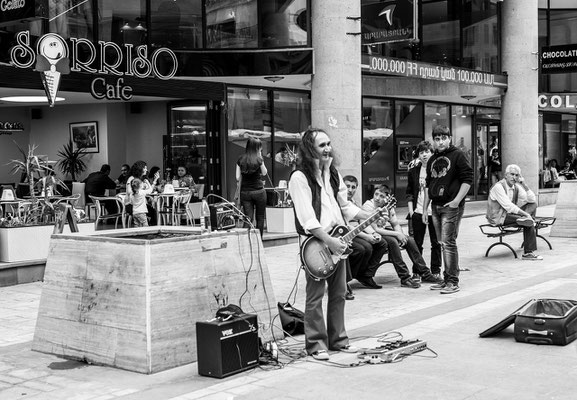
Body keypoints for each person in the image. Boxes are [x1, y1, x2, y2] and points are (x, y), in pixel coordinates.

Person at [288, 128, 377, 361]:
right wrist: (329, 241)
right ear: (309, 150)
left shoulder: (333, 173)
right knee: (315, 296)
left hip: (339, 239)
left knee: (339, 293)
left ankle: (338, 340)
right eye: (321, 145)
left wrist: (368, 215)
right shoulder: (299, 178)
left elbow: (345, 207)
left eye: (328, 144)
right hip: (317, 243)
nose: (327, 149)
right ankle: (316, 345)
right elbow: (307, 218)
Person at [423, 125, 474, 295]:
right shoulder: (431, 160)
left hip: (451, 207)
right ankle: (447, 279)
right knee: (442, 243)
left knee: (448, 243)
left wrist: (456, 201)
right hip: (435, 206)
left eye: (443, 138)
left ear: (449, 138)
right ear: (434, 141)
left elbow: (468, 179)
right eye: (437, 139)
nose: (440, 141)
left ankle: (452, 281)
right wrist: (425, 210)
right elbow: (429, 185)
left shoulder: (458, 155)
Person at [364, 185, 443, 289]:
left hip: (382, 232)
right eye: (376, 194)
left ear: (387, 198)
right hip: (371, 233)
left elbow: (395, 224)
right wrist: (397, 235)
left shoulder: (388, 206)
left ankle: (425, 273)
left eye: (381, 196)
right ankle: (404, 277)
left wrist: (401, 236)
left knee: (409, 240)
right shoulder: (368, 205)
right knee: (393, 241)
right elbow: (375, 229)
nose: (377, 198)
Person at [486, 164, 542, 261]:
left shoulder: (516, 187)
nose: (514, 177)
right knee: (528, 222)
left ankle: (526, 220)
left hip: (509, 215)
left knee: (533, 205)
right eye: (512, 174)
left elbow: (531, 199)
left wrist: (524, 184)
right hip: (498, 217)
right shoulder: (498, 187)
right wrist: (525, 214)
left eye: (517, 175)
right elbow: (508, 206)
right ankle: (528, 253)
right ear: (505, 175)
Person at [343, 175, 388, 294]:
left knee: (381, 243)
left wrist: (373, 233)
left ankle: (366, 275)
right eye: (347, 186)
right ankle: (345, 280)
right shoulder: (340, 203)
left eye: (353, 187)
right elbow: (347, 226)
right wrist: (366, 236)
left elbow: (362, 222)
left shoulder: (354, 203)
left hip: (357, 232)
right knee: (364, 248)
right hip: (345, 234)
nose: (350, 190)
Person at [406, 140, 442, 281]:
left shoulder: (438, 170)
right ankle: (417, 271)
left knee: (436, 243)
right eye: (421, 152)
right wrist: (411, 211)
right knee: (417, 244)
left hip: (434, 212)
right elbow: (409, 192)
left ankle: (435, 271)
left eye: (427, 152)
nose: (424, 155)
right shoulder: (414, 170)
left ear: (432, 153)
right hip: (418, 211)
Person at [236, 137, 268, 237]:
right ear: (256, 148)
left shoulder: (240, 159)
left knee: (248, 218)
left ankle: (245, 241)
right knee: (260, 217)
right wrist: (259, 157)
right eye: (260, 147)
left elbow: (237, 177)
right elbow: (264, 172)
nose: (261, 149)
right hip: (259, 192)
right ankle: (259, 242)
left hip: (245, 192)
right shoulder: (259, 159)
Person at [125, 161, 159, 226]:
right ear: (140, 169)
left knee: (153, 211)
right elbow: (129, 191)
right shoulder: (132, 178)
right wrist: (140, 191)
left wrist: (154, 181)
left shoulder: (141, 179)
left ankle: (148, 229)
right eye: (145, 168)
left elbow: (149, 190)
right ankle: (149, 230)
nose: (146, 170)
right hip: (131, 205)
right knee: (152, 212)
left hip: (137, 204)